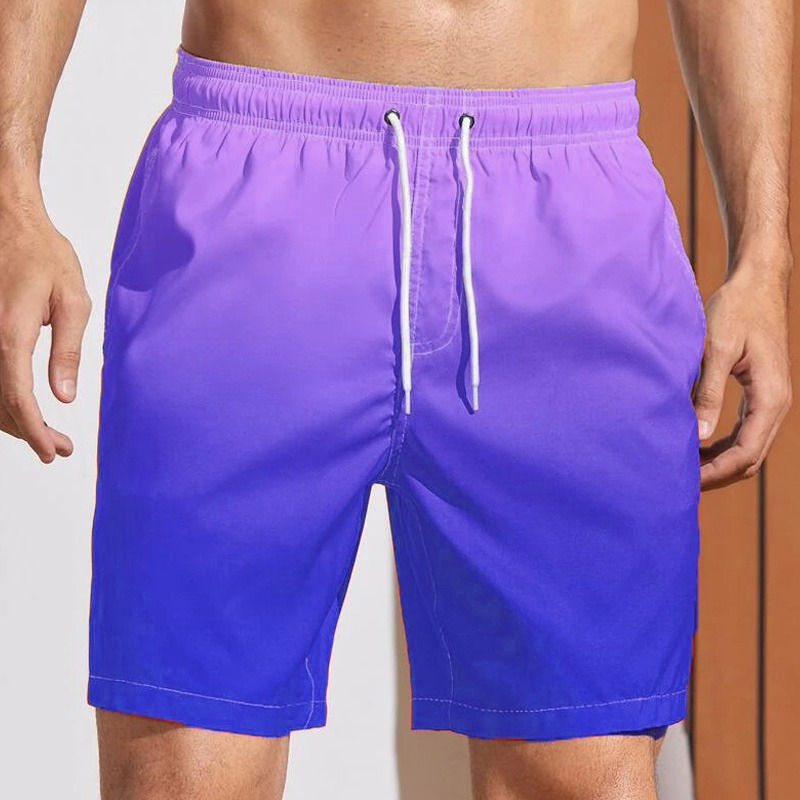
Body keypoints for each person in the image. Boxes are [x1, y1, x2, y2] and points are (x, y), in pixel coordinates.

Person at [0, 1, 793, 798]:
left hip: (571, 216)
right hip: (256, 184)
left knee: (581, 772)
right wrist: (11, 202)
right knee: (185, 773)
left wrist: (764, 251)